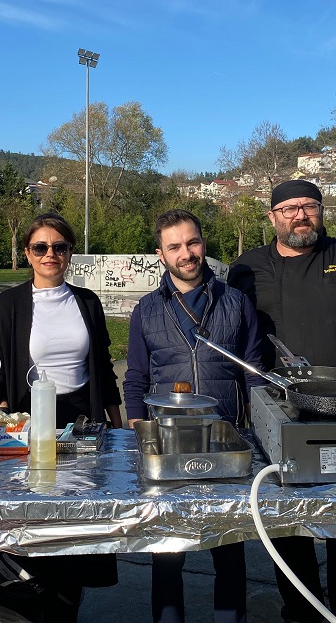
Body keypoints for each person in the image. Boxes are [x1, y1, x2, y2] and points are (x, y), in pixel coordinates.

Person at [227, 180, 336, 623]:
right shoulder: (246, 267)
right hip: (277, 407)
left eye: (308, 206)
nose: (299, 215)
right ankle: (302, 609)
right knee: (286, 518)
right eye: (288, 208)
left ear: (321, 210)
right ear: (272, 217)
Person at [124, 209, 262, 623]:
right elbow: (135, 378)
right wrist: (137, 427)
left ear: (204, 243)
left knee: (229, 548)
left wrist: (259, 432)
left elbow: (253, 373)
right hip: (167, 444)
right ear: (160, 254)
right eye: (175, 246)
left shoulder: (236, 304)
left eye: (193, 242)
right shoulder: (146, 311)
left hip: (227, 440)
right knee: (168, 552)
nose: (187, 253)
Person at [0, 212, 122, 622]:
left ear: (69, 253)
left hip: (83, 422)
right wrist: (3, 425)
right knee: (36, 521)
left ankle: (67, 608)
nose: (50, 254)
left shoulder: (87, 302)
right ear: (27, 253)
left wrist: (119, 427)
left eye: (59, 247)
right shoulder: (9, 305)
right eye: (40, 247)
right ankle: (35, 605)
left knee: (78, 524)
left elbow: (103, 371)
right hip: (32, 424)